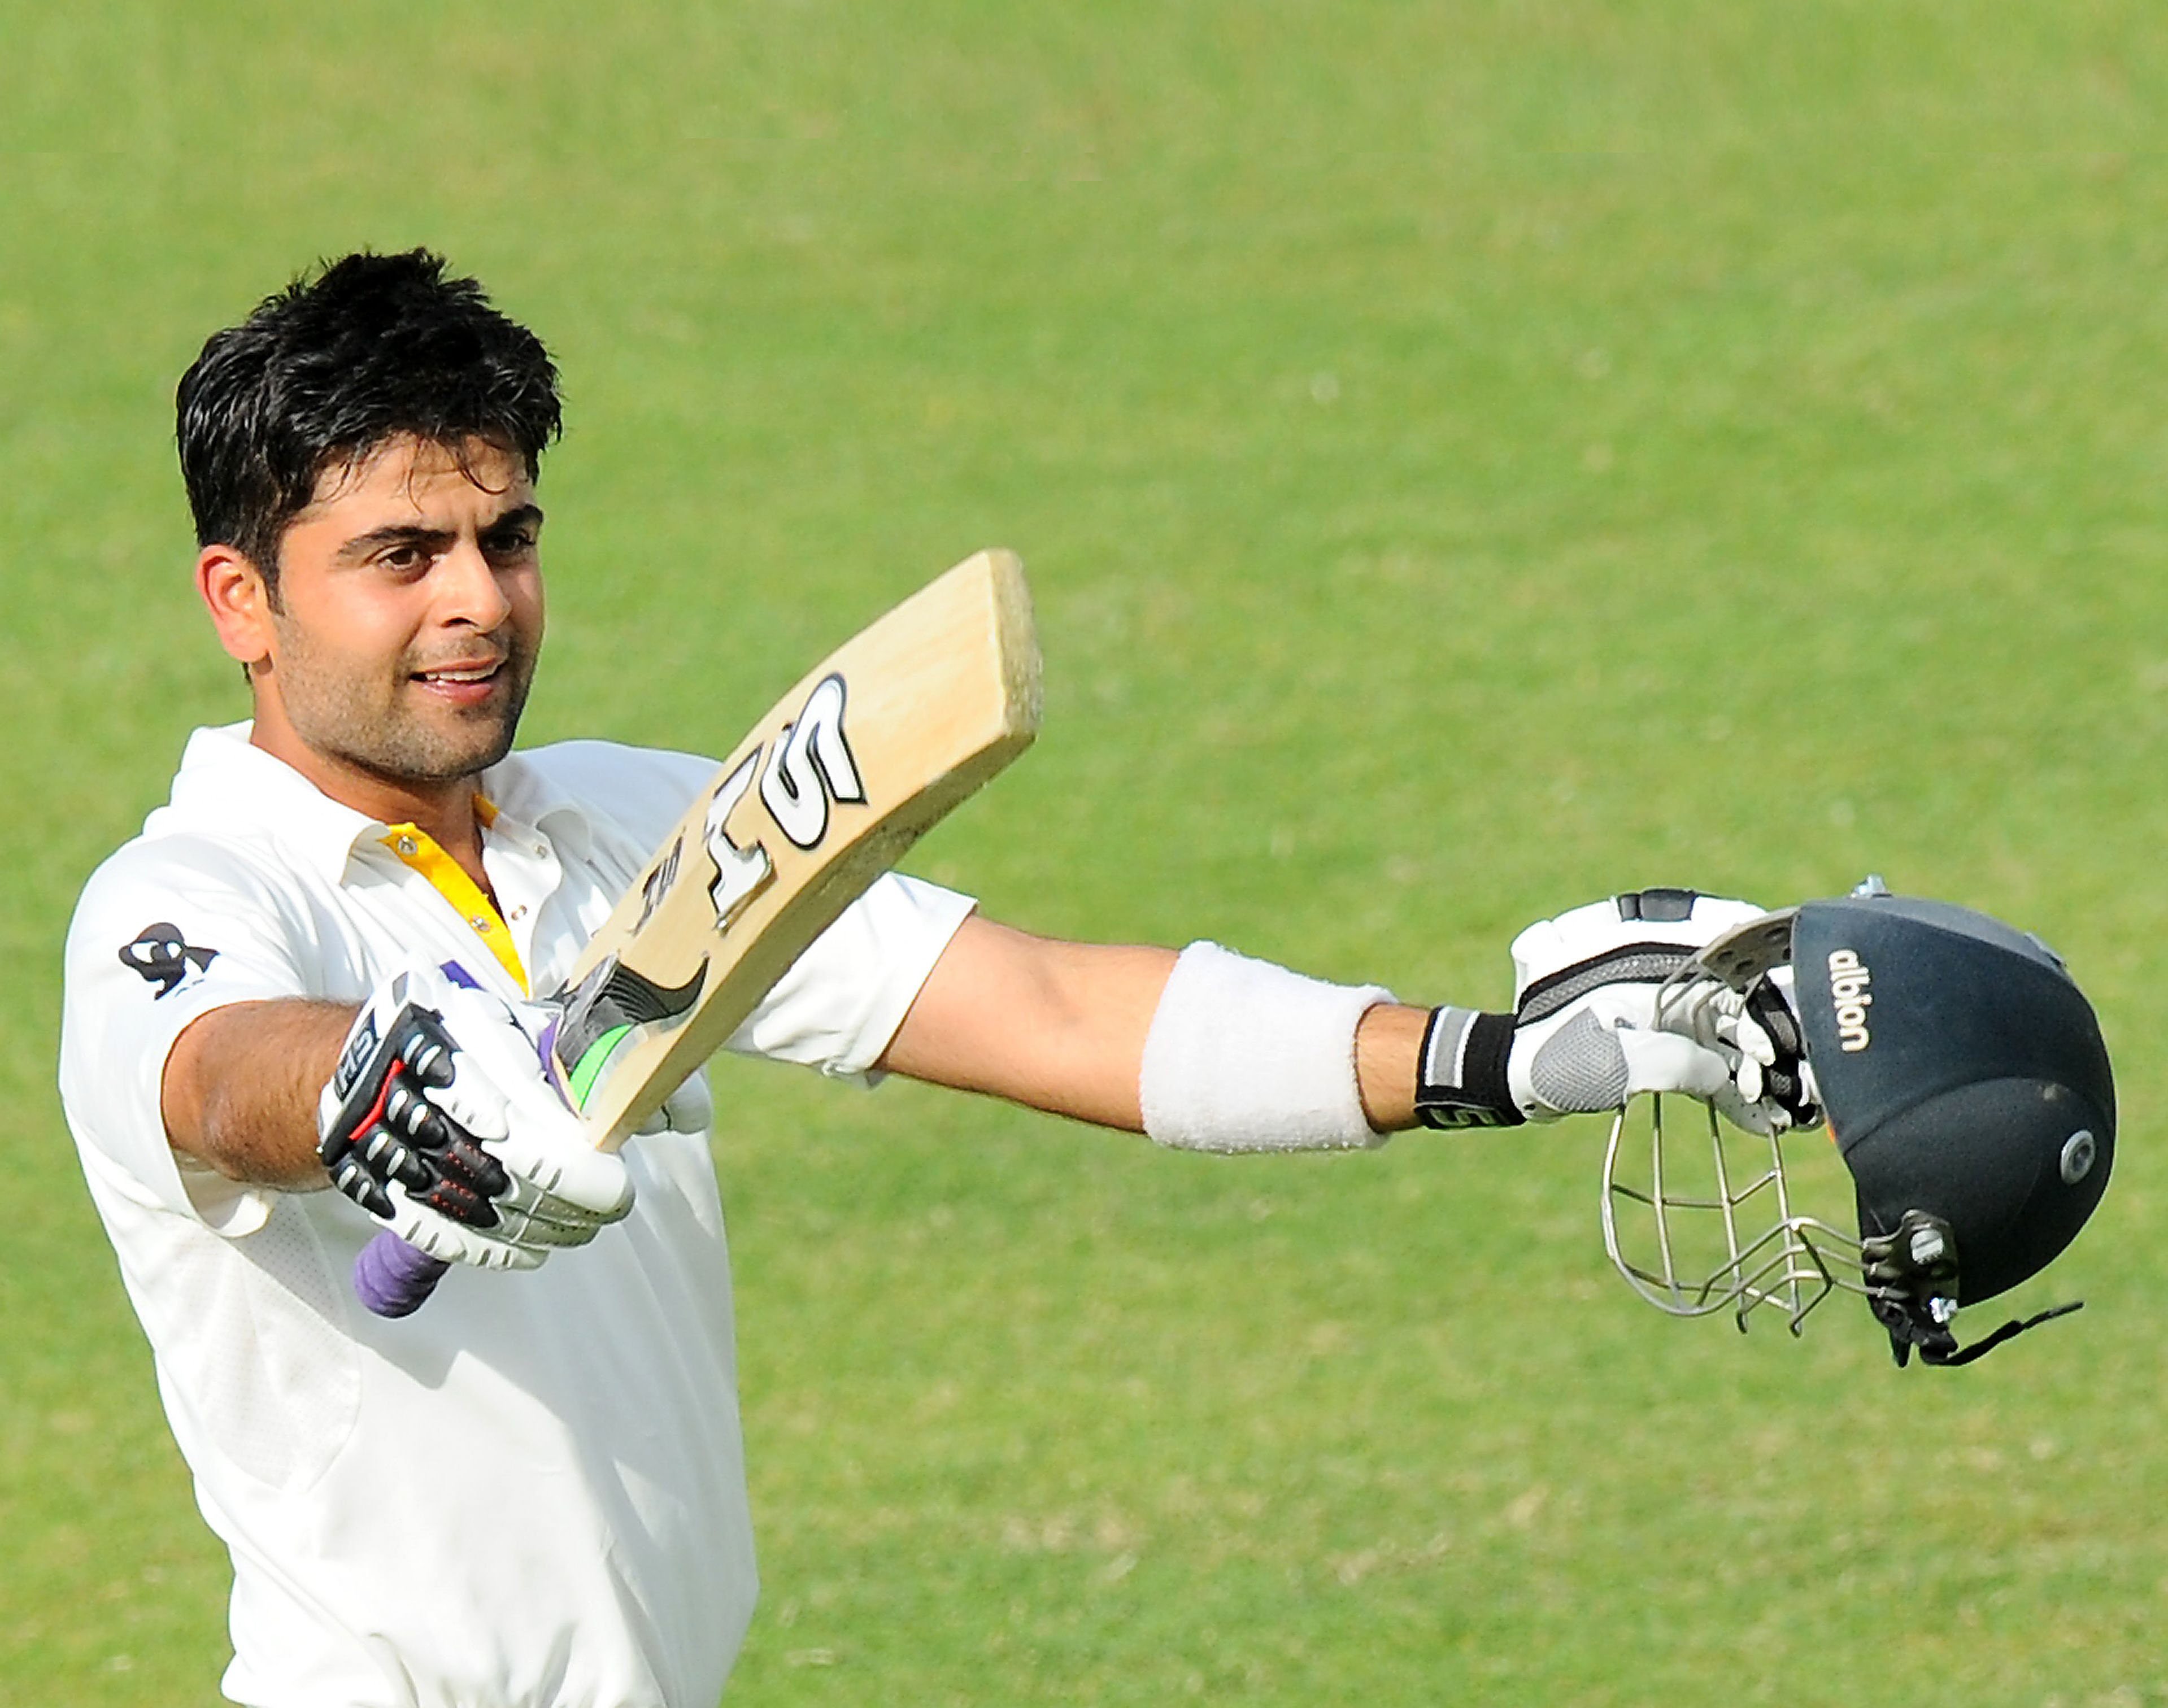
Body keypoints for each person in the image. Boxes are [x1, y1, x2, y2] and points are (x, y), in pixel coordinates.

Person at [58, 250, 1782, 1708]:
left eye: (506, 538)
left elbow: (1052, 1012)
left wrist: (1511, 1057)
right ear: (242, 600)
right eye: (400, 556)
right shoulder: (187, 895)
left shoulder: (644, 832)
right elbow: (220, 1076)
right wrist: (388, 1087)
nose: (480, 602)